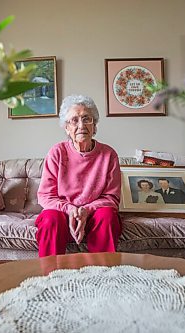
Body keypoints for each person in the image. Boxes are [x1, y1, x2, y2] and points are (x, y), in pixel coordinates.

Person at [35, 95, 121, 257]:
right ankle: (50, 276)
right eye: (74, 120)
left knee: (107, 215)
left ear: (94, 126)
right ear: (66, 128)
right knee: (50, 218)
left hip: (94, 217)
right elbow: (46, 196)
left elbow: (111, 198)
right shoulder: (57, 152)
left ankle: (104, 276)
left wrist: (85, 211)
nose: (81, 125)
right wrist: (70, 209)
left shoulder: (109, 155)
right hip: (62, 215)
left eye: (86, 119)